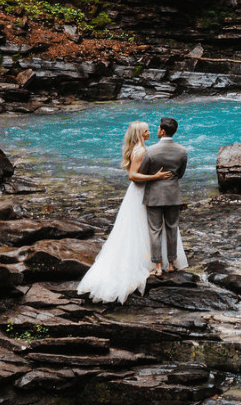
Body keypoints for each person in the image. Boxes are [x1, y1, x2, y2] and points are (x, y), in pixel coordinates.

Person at [75, 121, 171, 304]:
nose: (150, 132)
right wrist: (155, 177)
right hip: (141, 193)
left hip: (139, 193)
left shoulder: (138, 148)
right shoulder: (140, 151)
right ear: (139, 134)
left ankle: (148, 259)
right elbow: (133, 176)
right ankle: (143, 262)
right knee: (141, 228)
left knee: (140, 228)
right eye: (146, 131)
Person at [137, 116, 188, 275]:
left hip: (154, 196)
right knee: (172, 228)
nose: (157, 130)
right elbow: (180, 174)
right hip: (173, 195)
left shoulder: (150, 151)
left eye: (158, 128)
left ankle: (158, 266)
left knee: (155, 230)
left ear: (163, 130)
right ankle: (172, 263)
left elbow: (142, 173)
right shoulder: (182, 151)